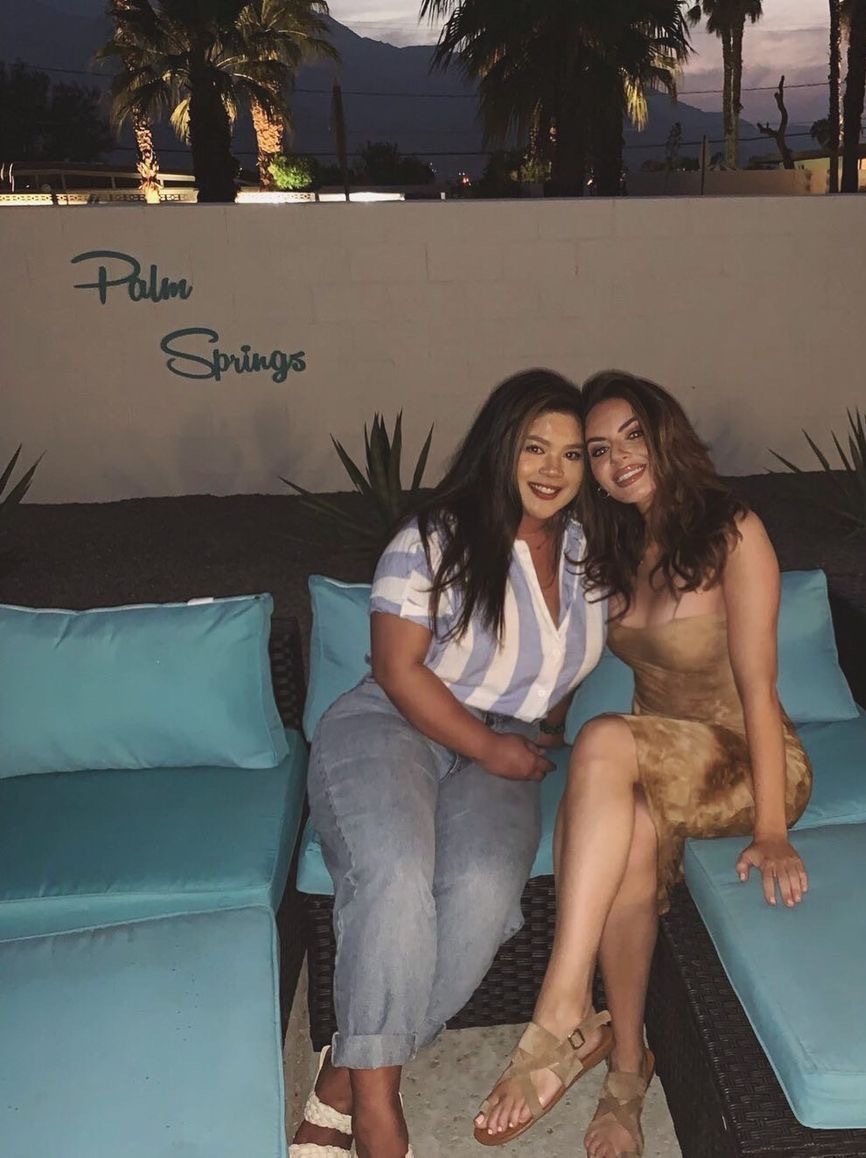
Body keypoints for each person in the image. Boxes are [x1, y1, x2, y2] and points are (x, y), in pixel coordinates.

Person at [474, 371, 812, 1158]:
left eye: (632, 436)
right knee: (622, 831)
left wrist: (771, 831)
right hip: (657, 757)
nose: (618, 458)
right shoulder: (615, 547)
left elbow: (759, 692)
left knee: (603, 740)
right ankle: (628, 1070)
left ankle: (561, 1009)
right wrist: (536, 726)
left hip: (743, 757)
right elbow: (568, 647)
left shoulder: (733, 531)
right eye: (598, 449)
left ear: (667, 434)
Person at [291, 370, 608, 1158]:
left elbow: (575, 660)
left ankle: (346, 1078)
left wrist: (546, 729)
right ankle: (378, 1117)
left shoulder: (587, 556)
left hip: (510, 746)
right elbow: (398, 669)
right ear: (501, 447)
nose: (553, 468)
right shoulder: (434, 537)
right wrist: (492, 746)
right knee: (394, 872)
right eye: (534, 447)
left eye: (572, 453)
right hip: (395, 723)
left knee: (483, 891)